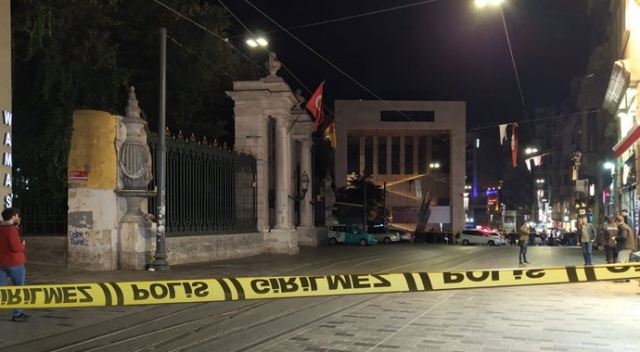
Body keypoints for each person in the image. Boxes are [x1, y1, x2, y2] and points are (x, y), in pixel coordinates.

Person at [0, 207, 28, 321]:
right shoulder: (11, 230)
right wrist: (23, 244)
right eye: (17, 216)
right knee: (19, 288)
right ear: (13, 216)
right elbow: (15, 247)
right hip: (15, 263)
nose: (18, 217)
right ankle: (17, 313)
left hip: (1, 263)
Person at [614, 215, 636, 283]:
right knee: (626, 263)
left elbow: (623, 236)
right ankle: (626, 277)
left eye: (616, 222)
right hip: (629, 247)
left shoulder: (623, 227)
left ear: (617, 222)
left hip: (624, 247)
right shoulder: (626, 226)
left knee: (621, 263)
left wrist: (615, 238)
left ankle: (621, 278)